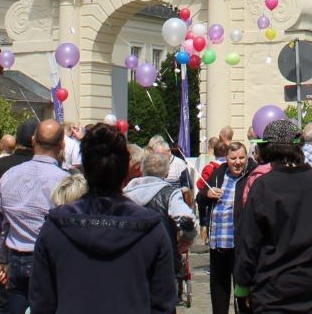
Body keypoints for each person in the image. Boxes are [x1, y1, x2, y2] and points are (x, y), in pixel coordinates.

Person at [29, 123, 176, 313]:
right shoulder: (151, 229)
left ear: (85, 170)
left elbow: (41, 302)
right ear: (126, 170)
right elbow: (163, 303)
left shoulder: (55, 227)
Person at [233, 118, 312, 312]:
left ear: (266, 150)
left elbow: (249, 241)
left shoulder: (264, 186)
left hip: (273, 286)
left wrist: (242, 285)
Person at [0, 120, 68, 314]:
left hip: (16, 256)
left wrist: (3, 259)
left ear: (34, 140)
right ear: (62, 144)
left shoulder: (10, 175)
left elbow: (2, 224)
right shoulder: (64, 182)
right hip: (47, 258)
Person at [0, 120, 37, 314]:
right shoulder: (42, 166)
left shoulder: (0, 165)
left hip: (4, 244)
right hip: (35, 247)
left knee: (3, 302)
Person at [123, 146, 197, 287]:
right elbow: (187, 219)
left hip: (132, 257)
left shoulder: (126, 193)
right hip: (163, 258)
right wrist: (187, 239)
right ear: (167, 172)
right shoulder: (170, 194)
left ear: (142, 170)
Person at [206, 141, 248, 314]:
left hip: (240, 246)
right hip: (218, 244)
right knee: (219, 294)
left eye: (241, 158)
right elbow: (201, 196)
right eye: (233, 158)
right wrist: (207, 194)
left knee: (243, 296)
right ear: (226, 159)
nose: (237, 162)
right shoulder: (219, 172)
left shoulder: (252, 174)